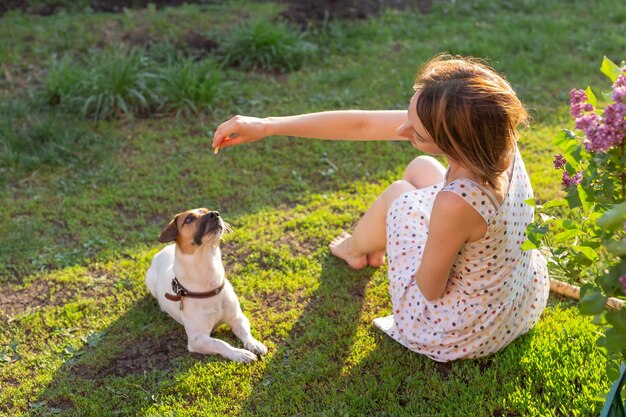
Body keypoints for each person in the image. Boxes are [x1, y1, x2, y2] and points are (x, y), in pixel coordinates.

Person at [212, 54, 550, 362]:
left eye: (415, 132)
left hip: (464, 331)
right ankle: (361, 246)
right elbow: (363, 125)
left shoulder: (457, 202)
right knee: (420, 166)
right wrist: (268, 125)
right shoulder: (490, 132)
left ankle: (353, 249)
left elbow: (431, 288)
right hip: (517, 297)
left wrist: (430, 235)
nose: (401, 131)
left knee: (399, 196)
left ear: (452, 141)